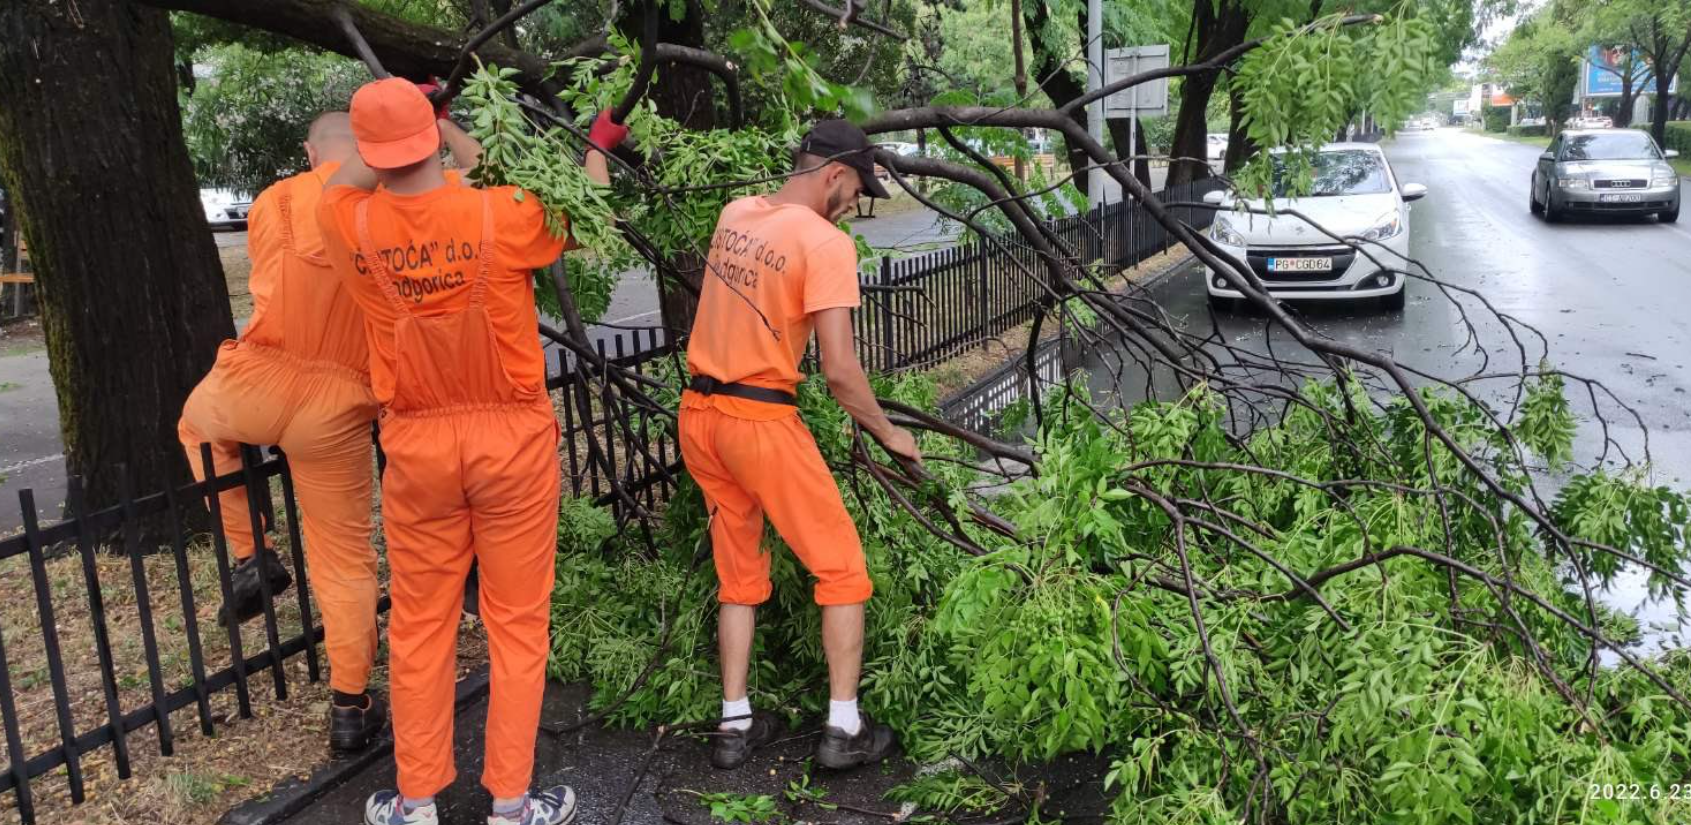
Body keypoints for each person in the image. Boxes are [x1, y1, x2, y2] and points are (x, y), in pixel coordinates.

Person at [315, 78, 624, 825]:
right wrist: (594, 146)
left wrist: (403, 126)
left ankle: (416, 800)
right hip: (511, 442)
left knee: (421, 623)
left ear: (367, 149)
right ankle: (511, 803)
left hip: (417, 447)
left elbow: (345, 180)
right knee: (517, 622)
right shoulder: (499, 210)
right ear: (429, 136)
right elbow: (589, 211)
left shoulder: (348, 224)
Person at [175, 110, 481, 754]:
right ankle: (349, 703)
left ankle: (248, 553)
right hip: (340, 401)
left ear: (310, 150)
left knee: (197, 427)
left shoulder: (274, 199)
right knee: (342, 559)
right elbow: (469, 177)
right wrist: (433, 124)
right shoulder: (385, 205)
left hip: (253, 378)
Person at [677, 119, 922, 772]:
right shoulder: (824, 242)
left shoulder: (735, 214)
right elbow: (839, 372)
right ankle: (843, 728)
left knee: (738, 569)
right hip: (759, 423)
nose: (852, 205)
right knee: (841, 569)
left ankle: (734, 723)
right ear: (834, 175)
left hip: (698, 416)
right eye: (855, 191)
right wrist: (891, 433)